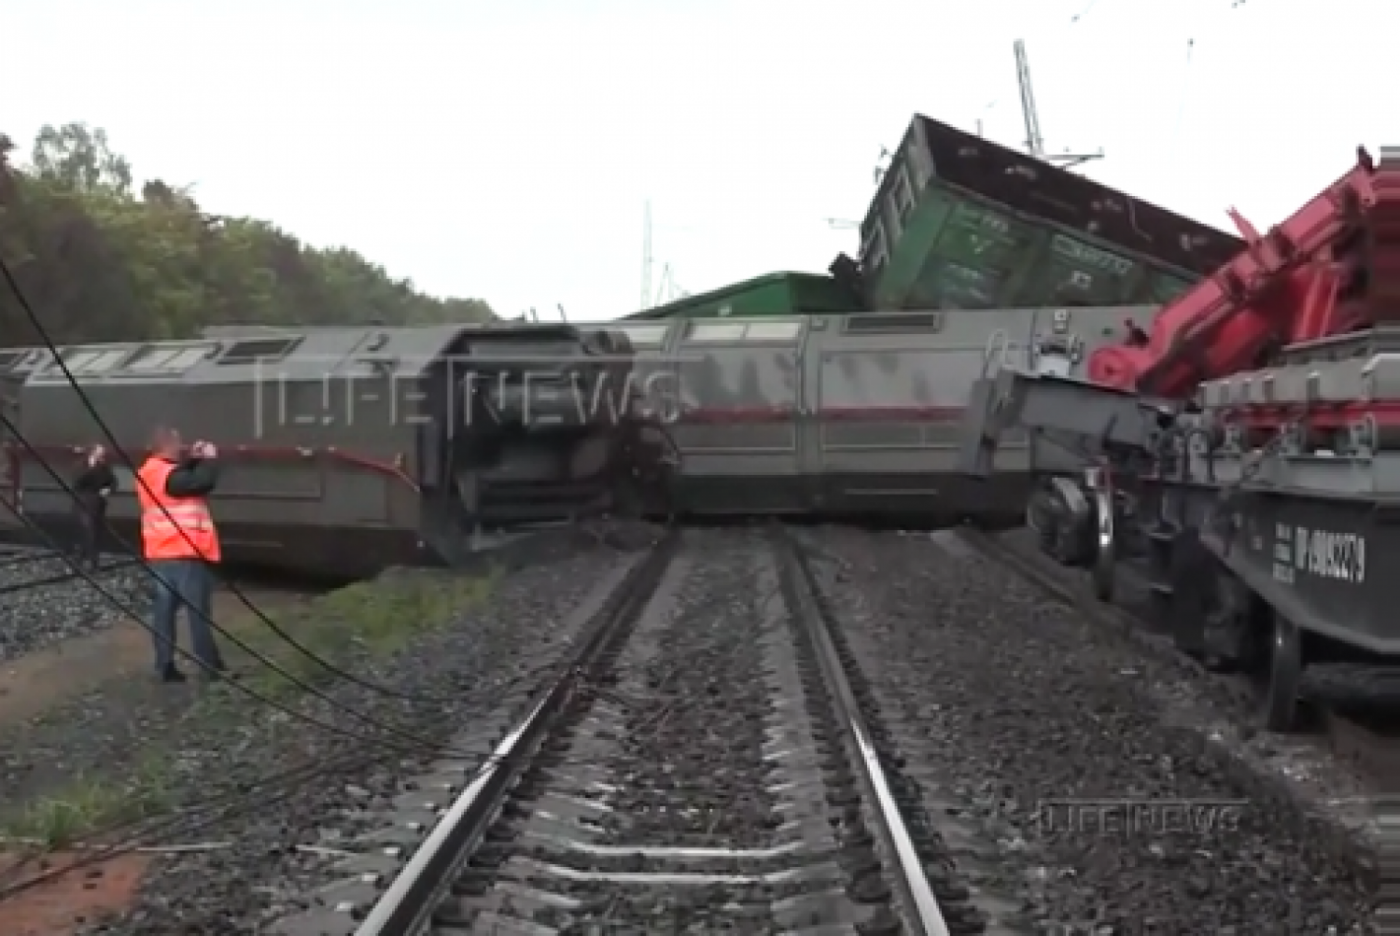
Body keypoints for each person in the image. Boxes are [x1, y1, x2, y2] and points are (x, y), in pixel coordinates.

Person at [138, 426, 224, 683]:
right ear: (167, 445)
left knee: (164, 612)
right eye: (178, 443)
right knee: (198, 612)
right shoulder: (169, 475)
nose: (181, 447)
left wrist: (193, 460)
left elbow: (178, 478)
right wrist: (210, 460)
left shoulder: (149, 472)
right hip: (184, 552)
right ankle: (209, 666)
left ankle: (164, 665)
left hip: (160, 553)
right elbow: (200, 483)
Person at [71, 444, 116, 569]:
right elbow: (77, 482)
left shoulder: (104, 468)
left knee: (96, 532)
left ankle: (87, 558)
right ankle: (90, 560)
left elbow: (113, 482)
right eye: (100, 453)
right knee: (88, 530)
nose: (103, 456)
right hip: (83, 503)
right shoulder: (81, 465)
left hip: (99, 504)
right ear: (93, 453)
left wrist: (109, 489)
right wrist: (92, 468)